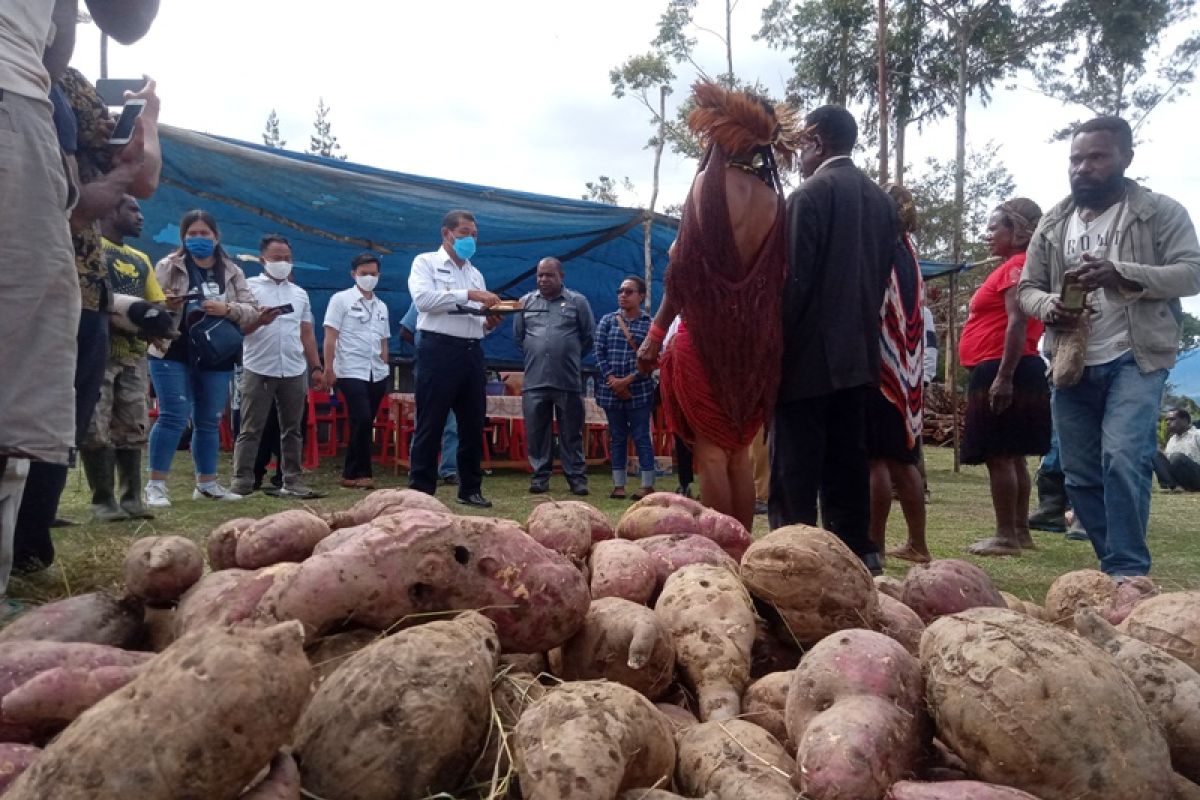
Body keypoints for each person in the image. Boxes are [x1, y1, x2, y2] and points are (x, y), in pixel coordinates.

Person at [1, 1, 158, 601]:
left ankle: (29, 541)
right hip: (10, 101)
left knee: (43, 408)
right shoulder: (39, 88)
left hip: (89, 299)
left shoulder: (63, 101)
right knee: (20, 391)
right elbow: (128, 17)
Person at [1019, 115, 1200, 577]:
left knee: (1122, 457)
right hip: (1070, 359)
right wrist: (1049, 306)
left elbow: (1191, 273)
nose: (1082, 167)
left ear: (1126, 158)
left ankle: (1127, 571)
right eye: (1075, 159)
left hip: (1135, 357)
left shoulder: (1160, 212)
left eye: (1096, 157)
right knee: (1079, 476)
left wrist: (1123, 274)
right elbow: (1027, 288)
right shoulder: (1054, 222)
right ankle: (1112, 565)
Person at [636, 83, 796, 530]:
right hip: (755, 348)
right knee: (738, 455)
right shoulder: (773, 201)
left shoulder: (708, 184)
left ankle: (720, 551)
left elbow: (682, 272)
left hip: (705, 339)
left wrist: (654, 335)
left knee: (709, 452)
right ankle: (741, 549)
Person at [770, 104, 898, 574]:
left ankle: (790, 565)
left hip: (806, 359)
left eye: (801, 144)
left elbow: (794, 284)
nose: (798, 155)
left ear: (817, 143)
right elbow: (881, 280)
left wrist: (773, 352)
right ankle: (859, 566)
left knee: (794, 473)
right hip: (860, 359)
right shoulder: (881, 201)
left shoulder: (809, 195)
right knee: (848, 469)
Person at [143, 210, 261, 507]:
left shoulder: (232, 271)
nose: (198, 239)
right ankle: (155, 485)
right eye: (191, 234)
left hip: (216, 352)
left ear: (216, 236)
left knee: (208, 419)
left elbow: (252, 310)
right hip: (172, 349)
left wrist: (228, 310)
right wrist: (166, 303)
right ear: (183, 237)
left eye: (203, 234)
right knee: (173, 415)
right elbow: (149, 304)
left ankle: (206, 484)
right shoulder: (168, 265)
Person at [959, 198, 1050, 556]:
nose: (988, 234)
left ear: (1017, 232)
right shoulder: (1024, 266)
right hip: (1015, 365)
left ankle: (1005, 535)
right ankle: (1021, 532)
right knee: (1013, 456)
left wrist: (1004, 376)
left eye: (995, 227)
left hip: (1003, 365)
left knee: (1000, 455)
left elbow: (1018, 321)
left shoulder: (1015, 268)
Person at [407, 210, 502, 508]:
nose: (470, 239)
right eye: (464, 233)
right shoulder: (426, 263)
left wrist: (489, 323)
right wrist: (470, 294)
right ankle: (421, 490)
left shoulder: (475, 272)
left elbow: (476, 318)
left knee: (473, 423)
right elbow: (423, 301)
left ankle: (470, 488)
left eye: (474, 234)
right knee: (431, 422)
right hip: (438, 349)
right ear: (446, 234)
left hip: (472, 350)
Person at [79, 195, 163, 521]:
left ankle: (131, 498)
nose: (140, 217)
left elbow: (155, 303)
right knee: (95, 424)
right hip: (97, 352)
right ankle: (103, 500)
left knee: (133, 425)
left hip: (134, 356)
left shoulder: (141, 259)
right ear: (111, 210)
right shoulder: (90, 246)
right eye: (133, 209)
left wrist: (160, 320)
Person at [229, 235, 324, 499]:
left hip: (293, 368)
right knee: (250, 427)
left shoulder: (300, 293)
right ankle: (242, 480)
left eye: (287, 259)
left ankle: (291, 480)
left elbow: (307, 333)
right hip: (258, 366)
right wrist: (259, 321)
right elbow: (239, 329)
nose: (283, 263)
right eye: (276, 258)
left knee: (293, 428)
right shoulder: (249, 289)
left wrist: (315, 366)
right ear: (263, 260)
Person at [868, 185, 930, 563]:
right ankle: (918, 543)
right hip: (905, 374)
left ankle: (873, 544)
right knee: (904, 460)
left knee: (874, 461)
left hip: (882, 369)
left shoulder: (882, 250)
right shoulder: (908, 251)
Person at [514, 257, 596, 495]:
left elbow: (587, 338)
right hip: (535, 381)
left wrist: (566, 353)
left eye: (549, 275)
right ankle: (540, 477)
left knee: (572, 432)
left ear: (561, 276)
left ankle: (577, 479)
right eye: (540, 275)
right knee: (537, 432)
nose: (543, 279)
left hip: (567, 380)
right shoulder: (525, 303)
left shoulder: (577, 302)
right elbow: (519, 338)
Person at [324, 253, 391, 490]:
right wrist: (328, 367)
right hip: (350, 368)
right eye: (364, 274)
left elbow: (384, 340)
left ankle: (351, 473)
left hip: (377, 371)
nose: (369, 278)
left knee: (365, 421)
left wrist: (385, 360)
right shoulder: (341, 300)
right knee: (361, 417)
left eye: (373, 274)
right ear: (354, 274)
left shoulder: (382, 305)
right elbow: (330, 336)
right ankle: (361, 472)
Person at [596, 276, 657, 500]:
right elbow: (598, 352)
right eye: (620, 291)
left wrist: (629, 379)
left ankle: (647, 485)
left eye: (629, 291)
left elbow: (652, 358)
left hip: (639, 390)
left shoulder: (649, 324)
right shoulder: (607, 321)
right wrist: (612, 379)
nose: (623, 295)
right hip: (611, 391)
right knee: (617, 437)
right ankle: (618, 485)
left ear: (641, 296)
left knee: (642, 436)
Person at [399, 301, 459, 486]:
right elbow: (405, 331)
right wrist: (424, 346)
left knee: (454, 423)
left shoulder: (464, 299)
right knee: (426, 422)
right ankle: (419, 468)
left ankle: (450, 470)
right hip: (429, 368)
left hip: (456, 367)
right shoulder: (423, 299)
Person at [1154, 408, 1200, 492]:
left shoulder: (1197, 434)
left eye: (1172, 419)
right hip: (1181, 478)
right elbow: (1167, 461)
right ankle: (1172, 486)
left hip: (1197, 477)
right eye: (1167, 420)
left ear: (1185, 420)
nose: (1168, 422)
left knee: (1177, 457)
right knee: (1154, 454)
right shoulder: (1172, 440)